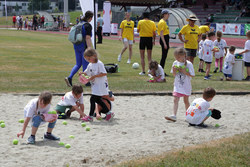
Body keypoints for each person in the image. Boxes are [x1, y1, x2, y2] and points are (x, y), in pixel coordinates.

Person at [80, 48, 114, 122]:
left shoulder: (99, 64)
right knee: (98, 100)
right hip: (95, 85)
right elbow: (87, 72)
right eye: (87, 59)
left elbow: (104, 73)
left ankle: (90, 116)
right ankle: (109, 113)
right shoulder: (90, 64)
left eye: (89, 58)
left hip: (100, 85)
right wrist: (82, 73)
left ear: (94, 56)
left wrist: (94, 76)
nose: (88, 60)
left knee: (93, 99)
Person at [165, 48, 195, 122]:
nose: (177, 59)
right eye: (176, 57)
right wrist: (174, 70)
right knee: (175, 99)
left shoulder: (189, 64)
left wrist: (185, 72)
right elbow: (174, 75)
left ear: (184, 55)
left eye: (178, 57)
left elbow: (192, 75)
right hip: (178, 84)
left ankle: (189, 116)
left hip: (186, 85)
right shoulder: (175, 63)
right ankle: (174, 115)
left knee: (186, 101)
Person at [65, 11, 93, 87]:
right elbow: (87, 38)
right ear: (90, 18)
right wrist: (89, 49)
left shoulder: (79, 24)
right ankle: (86, 82)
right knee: (85, 64)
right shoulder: (87, 25)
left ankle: (69, 77)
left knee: (78, 64)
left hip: (76, 45)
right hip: (83, 46)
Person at [158, 9, 171, 75]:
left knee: (164, 56)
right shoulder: (162, 22)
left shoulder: (164, 22)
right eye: (168, 14)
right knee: (163, 56)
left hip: (165, 39)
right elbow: (161, 34)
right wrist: (165, 43)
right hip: (164, 39)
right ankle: (161, 71)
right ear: (164, 14)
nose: (168, 15)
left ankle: (161, 71)